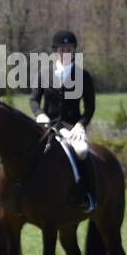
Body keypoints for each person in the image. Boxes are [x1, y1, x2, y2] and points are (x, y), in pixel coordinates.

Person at [31, 29, 98, 211]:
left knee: (82, 150)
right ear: (56, 51)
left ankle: (88, 195)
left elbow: (90, 107)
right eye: (61, 49)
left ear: (73, 51)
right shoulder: (44, 74)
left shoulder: (84, 76)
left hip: (71, 127)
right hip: (47, 126)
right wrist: (40, 115)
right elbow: (34, 100)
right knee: (24, 148)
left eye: (68, 49)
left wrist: (80, 125)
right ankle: (10, 193)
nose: (64, 52)